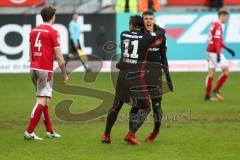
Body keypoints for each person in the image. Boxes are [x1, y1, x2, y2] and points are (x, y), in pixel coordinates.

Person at [102, 15, 164, 145]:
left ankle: (106, 135)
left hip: (122, 75)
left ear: (130, 24)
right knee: (146, 107)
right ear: (141, 26)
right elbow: (159, 33)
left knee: (116, 106)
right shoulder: (145, 38)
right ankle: (131, 134)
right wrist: (158, 29)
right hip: (135, 77)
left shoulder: (124, 34)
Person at [24, 6, 68, 140]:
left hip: (34, 67)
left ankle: (49, 131)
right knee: (41, 100)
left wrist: (34, 64)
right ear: (53, 17)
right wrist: (65, 73)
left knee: (45, 100)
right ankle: (29, 131)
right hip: (45, 69)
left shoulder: (33, 31)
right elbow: (59, 56)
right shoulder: (53, 32)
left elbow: (31, 53)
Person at [141, 10, 173, 143]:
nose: (148, 21)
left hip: (155, 74)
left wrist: (168, 77)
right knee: (139, 105)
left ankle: (155, 131)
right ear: (143, 20)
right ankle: (132, 132)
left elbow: (163, 57)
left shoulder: (161, 36)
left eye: (150, 19)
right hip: (141, 75)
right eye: (146, 19)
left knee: (157, 105)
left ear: (154, 20)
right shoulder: (139, 34)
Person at [205, 9, 235, 101]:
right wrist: (218, 54)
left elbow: (215, 40)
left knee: (211, 74)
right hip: (214, 52)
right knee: (226, 71)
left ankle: (207, 96)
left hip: (209, 51)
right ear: (222, 15)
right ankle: (216, 91)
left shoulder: (214, 24)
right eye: (226, 17)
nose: (226, 19)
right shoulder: (218, 26)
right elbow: (217, 41)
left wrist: (227, 49)